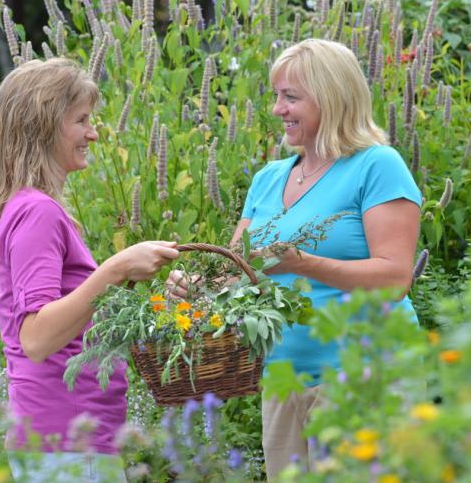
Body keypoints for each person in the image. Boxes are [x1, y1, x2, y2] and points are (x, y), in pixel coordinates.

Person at [169, 38, 422, 480]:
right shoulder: (269, 179)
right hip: (285, 381)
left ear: (332, 98)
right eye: (276, 96)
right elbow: (240, 275)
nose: (277, 109)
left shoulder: (377, 166)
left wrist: (305, 263)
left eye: (291, 97)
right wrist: (198, 287)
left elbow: (396, 276)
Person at [0, 58, 179, 481]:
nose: (94, 132)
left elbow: (73, 322)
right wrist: (116, 268)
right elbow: (35, 337)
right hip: (68, 442)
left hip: (64, 440)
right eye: (82, 120)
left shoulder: (29, 207)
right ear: (44, 126)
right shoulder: (38, 212)